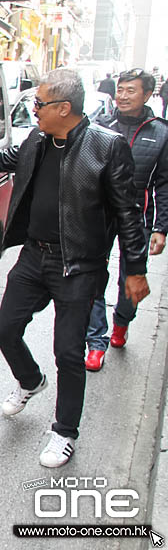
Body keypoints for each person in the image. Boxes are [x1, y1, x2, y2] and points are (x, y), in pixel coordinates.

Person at [0, 68, 149, 468]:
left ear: (64, 108)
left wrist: (136, 269)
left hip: (78, 266)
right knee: (5, 329)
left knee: (68, 352)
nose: (34, 108)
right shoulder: (37, 141)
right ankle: (30, 380)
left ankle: (64, 432)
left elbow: (129, 214)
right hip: (34, 257)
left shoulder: (107, 147)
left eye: (40, 103)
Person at [84, 69, 168, 370]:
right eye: (120, 89)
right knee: (92, 275)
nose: (122, 95)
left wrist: (161, 227)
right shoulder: (100, 125)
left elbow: (164, 183)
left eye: (131, 90)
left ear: (147, 95)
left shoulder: (160, 132)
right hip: (99, 213)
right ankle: (96, 341)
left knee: (131, 278)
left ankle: (122, 321)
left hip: (137, 217)